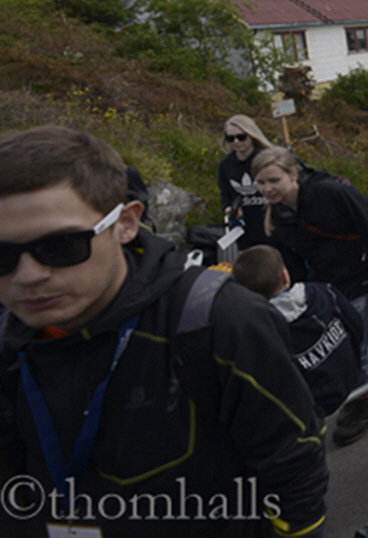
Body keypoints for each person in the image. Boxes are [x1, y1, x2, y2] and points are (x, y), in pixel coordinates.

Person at [0, 126, 327, 537]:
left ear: (126, 222)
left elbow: (293, 466)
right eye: (2, 256)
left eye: (62, 246)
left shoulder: (221, 320)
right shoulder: (11, 345)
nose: (27, 275)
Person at [252, 147, 368, 446]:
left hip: (362, 275)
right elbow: (291, 262)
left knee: (354, 341)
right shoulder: (278, 216)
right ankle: (353, 394)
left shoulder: (329, 193)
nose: (267, 189)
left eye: (273, 180)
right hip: (327, 281)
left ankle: (362, 401)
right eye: (260, 182)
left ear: (293, 175)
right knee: (340, 339)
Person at [232, 244, 364, 417]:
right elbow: (356, 325)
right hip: (349, 375)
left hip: (313, 406)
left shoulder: (263, 335)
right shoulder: (324, 291)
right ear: (285, 275)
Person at [217, 114, 275, 249]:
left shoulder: (267, 158)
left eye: (241, 137)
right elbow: (225, 194)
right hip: (246, 228)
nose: (236, 141)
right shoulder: (225, 165)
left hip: (273, 223)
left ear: (252, 135)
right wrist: (229, 209)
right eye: (230, 138)